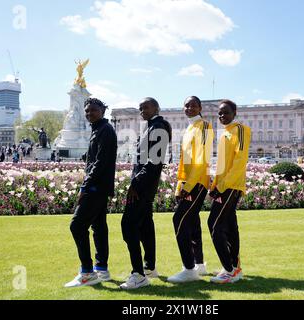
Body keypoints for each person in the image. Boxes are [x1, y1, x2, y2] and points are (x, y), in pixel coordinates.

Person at [65, 98, 117, 288]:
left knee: (77, 226)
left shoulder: (104, 130)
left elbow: (100, 162)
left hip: (95, 187)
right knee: (99, 227)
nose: (89, 114)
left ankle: (87, 272)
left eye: (93, 110)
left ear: (103, 110)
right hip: (100, 187)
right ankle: (101, 269)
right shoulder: (101, 129)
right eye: (87, 111)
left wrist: (85, 186)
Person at [120, 97, 172, 290]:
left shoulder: (159, 126)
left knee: (128, 225)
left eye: (146, 107)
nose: (142, 110)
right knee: (145, 227)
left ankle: (138, 274)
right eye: (140, 108)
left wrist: (135, 182)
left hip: (143, 185)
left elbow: (154, 161)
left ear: (156, 108)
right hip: (146, 183)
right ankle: (149, 266)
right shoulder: (152, 126)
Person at [167, 96, 214, 283]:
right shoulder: (190, 128)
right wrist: (180, 184)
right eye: (186, 105)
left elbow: (201, 159)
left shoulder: (204, 126)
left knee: (179, 220)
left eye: (193, 105)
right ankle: (199, 264)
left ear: (200, 107)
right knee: (193, 223)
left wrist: (188, 185)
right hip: (188, 181)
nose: (189, 108)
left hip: (196, 182)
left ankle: (188, 268)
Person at [208, 99, 251, 284]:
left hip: (231, 186)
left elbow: (239, 162)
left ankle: (228, 269)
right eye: (220, 113)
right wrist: (214, 186)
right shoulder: (225, 133)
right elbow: (222, 165)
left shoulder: (240, 130)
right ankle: (235, 268)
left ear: (235, 113)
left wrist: (222, 186)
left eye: (225, 112)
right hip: (224, 186)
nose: (222, 116)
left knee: (214, 225)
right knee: (231, 228)